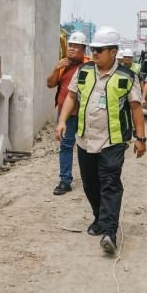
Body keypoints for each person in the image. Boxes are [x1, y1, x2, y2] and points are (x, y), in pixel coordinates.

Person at [56, 26, 147, 255]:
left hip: (113, 141)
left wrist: (140, 138)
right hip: (85, 139)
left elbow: (136, 108)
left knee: (110, 184)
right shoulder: (85, 71)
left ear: (113, 52)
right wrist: (62, 121)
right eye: (93, 49)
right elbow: (71, 96)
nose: (94, 53)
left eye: (100, 50)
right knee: (90, 184)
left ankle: (109, 232)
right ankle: (99, 217)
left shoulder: (127, 77)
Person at [46, 31, 90, 195]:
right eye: (70, 45)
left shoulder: (89, 65)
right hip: (65, 115)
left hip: (84, 115)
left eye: (76, 46)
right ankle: (65, 180)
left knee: (87, 147)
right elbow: (50, 84)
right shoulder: (63, 65)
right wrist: (55, 68)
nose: (71, 49)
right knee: (65, 147)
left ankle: (90, 178)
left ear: (83, 49)